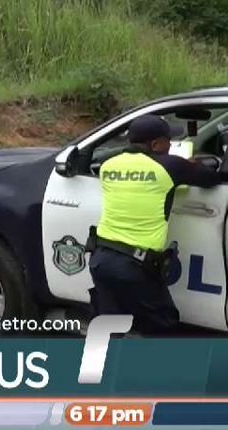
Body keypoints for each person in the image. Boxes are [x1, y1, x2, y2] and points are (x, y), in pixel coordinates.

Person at [89, 115, 227, 335]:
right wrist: (189, 167)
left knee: (109, 327)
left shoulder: (108, 165)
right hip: (134, 266)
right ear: (154, 144)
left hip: (100, 260)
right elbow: (213, 178)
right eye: (167, 140)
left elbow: (140, 187)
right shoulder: (170, 165)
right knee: (162, 327)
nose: (171, 145)